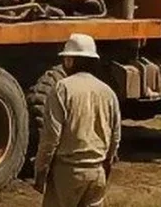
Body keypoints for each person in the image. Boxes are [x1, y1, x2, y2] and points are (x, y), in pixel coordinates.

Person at [33, 33, 121, 207]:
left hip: (67, 174)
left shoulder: (62, 89)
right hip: (97, 173)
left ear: (70, 61)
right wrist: (106, 166)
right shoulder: (108, 92)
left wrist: (41, 170)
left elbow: (51, 137)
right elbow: (115, 137)